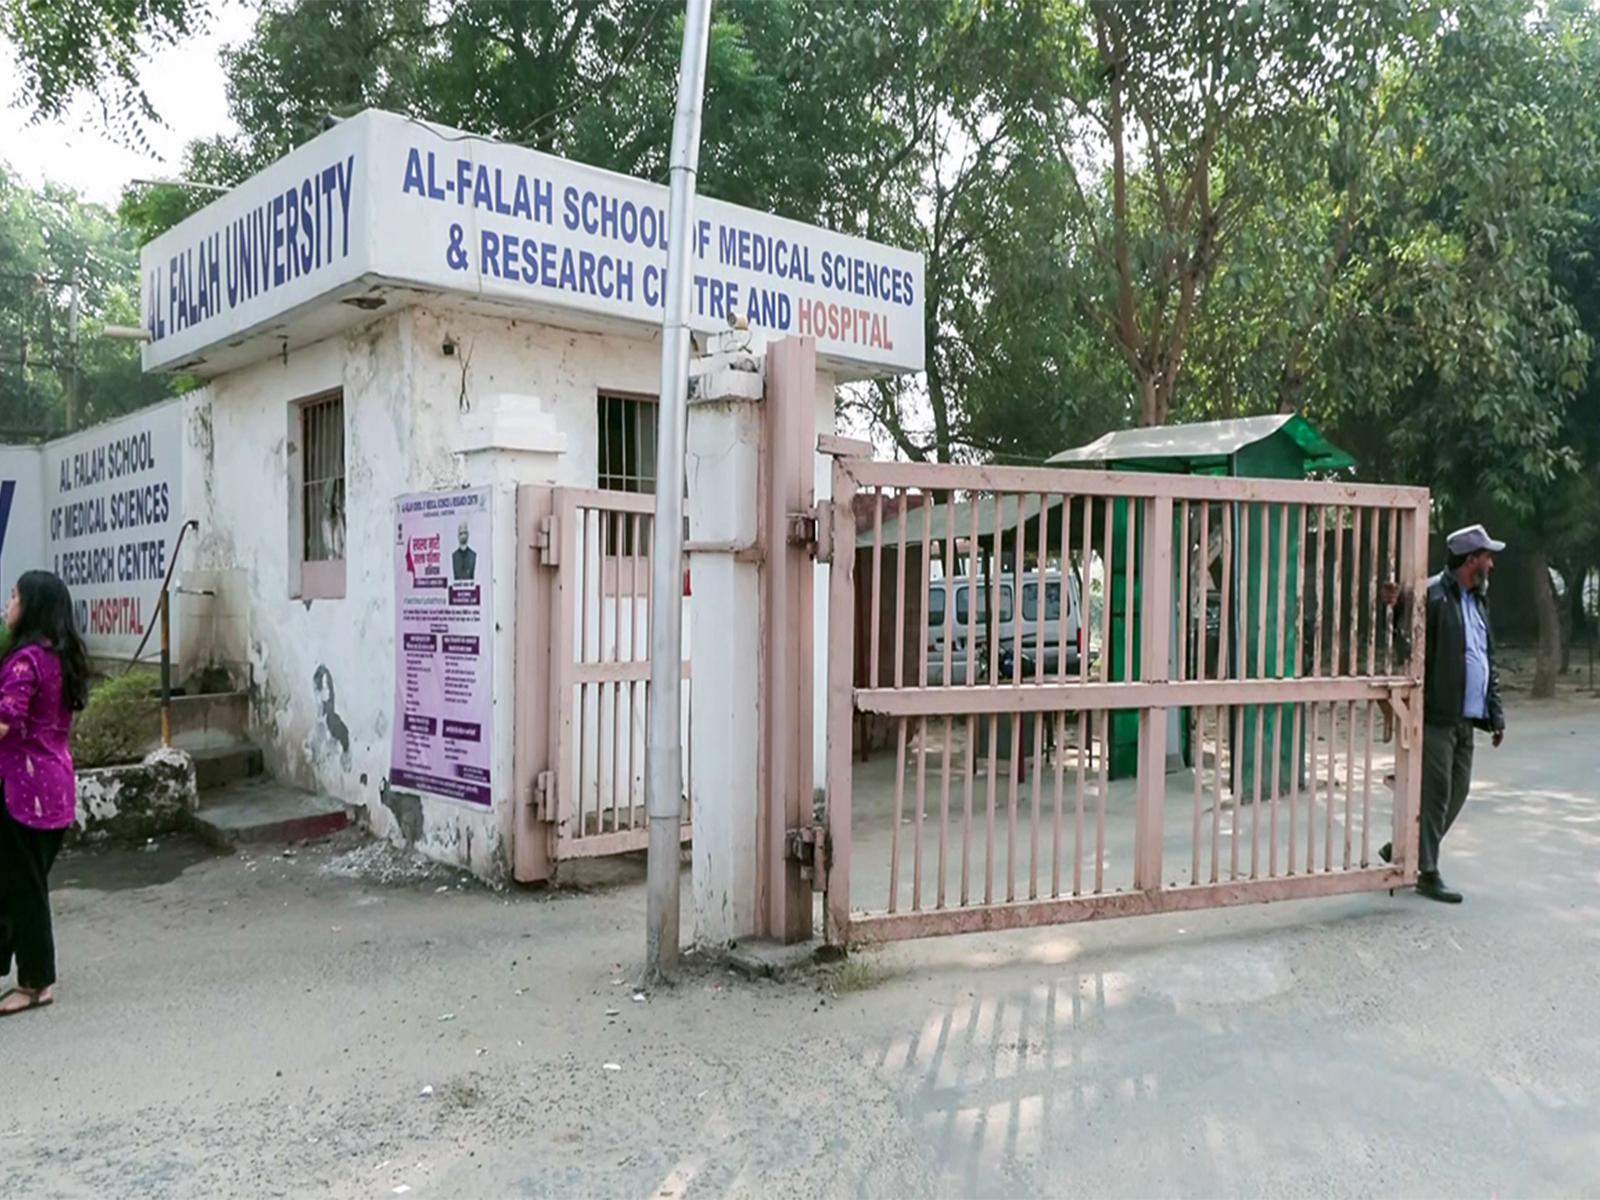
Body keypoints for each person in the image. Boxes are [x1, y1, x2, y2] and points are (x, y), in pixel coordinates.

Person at [1380, 524, 1506, 903]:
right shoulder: (1432, 596)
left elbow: (1488, 658)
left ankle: (1406, 849)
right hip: (1438, 715)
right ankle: (1427, 872)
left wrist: (1495, 713)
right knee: (1436, 796)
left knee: (1458, 791)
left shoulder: (1478, 600)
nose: (1492, 564)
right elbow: (1405, 643)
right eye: (1487, 556)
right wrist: (1397, 603)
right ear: (1471, 561)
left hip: (1468, 717)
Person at [0, 570, 89, 1015]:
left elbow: (5, 721)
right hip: (55, 787)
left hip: (21, 790)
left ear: (30, 606)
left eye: (13, 597)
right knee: (16, 886)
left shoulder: (24, 661)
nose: (7, 605)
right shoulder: (61, 658)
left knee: (23, 890)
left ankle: (36, 983)